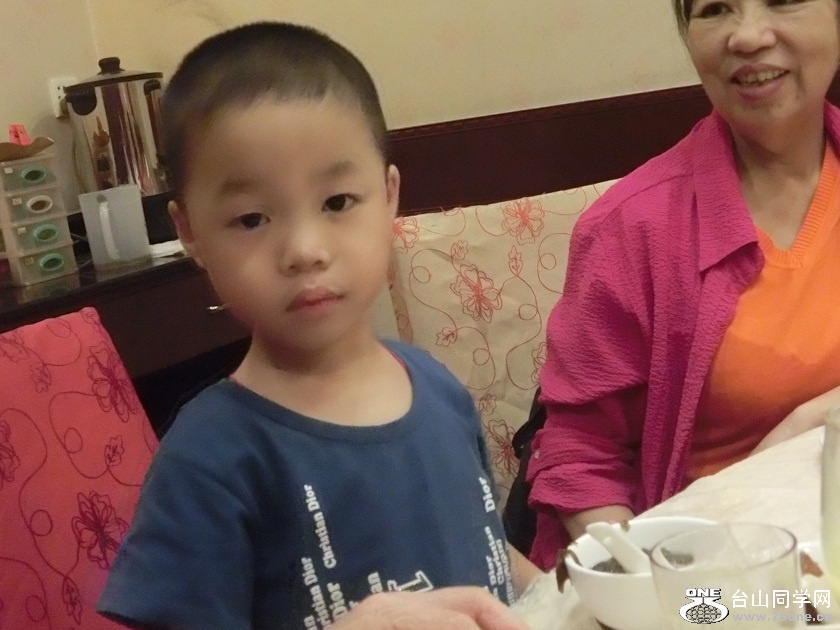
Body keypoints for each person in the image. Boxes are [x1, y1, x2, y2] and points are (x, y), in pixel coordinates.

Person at [96, 21, 540, 629]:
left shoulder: (438, 388)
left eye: (336, 202)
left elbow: (485, 546)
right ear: (190, 232)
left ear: (388, 196)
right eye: (252, 218)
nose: (305, 250)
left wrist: (562, 593)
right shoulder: (209, 459)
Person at [525, 0, 840, 571]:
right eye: (715, 8)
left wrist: (811, 419)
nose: (747, 36)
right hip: (712, 577)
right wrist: (653, 586)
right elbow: (581, 458)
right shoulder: (631, 228)